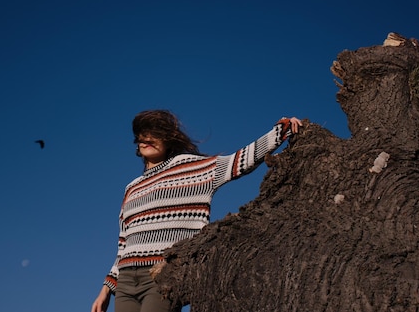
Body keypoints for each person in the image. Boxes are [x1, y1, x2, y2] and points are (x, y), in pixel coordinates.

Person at [91, 109, 302, 312]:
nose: (146, 138)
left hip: (163, 274)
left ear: (168, 138)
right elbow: (123, 244)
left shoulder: (192, 167)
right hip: (126, 282)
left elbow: (240, 160)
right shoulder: (131, 188)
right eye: (141, 134)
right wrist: (106, 290)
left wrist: (280, 131)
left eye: (154, 133)